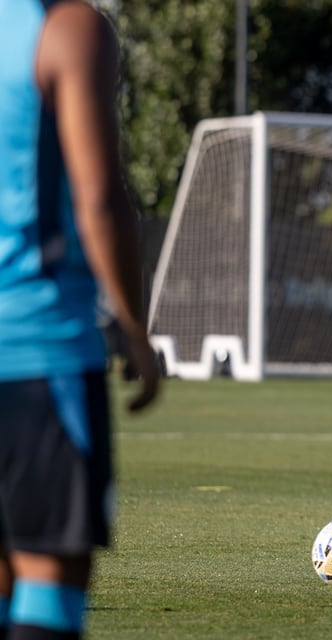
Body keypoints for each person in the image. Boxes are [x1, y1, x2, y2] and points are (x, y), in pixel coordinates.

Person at [0, 2, 161, 639]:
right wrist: (133, 326)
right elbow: (100, 198)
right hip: (38, 346)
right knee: (48, 585)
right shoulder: (67, 27)